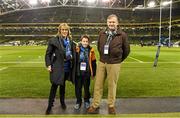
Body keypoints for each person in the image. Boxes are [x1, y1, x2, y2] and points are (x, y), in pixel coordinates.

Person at [87, 14, 130, 114]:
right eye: (110, 22)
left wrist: (118, 60)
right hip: (102, 62)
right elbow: (99, 46)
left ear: (117, 23)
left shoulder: (122, 35)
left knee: (112, 85)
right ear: (107, 23)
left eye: (113, 22)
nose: (111, 24)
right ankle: (95, 105)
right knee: (98, 85)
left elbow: (127, 50)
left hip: (114, 64)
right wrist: (103, 57)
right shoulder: (102, 33)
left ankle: (111, 105)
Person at [45, 23, 76, 114]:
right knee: (54, 85)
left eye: (66, 30)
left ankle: (62, 102)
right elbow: (48, 54)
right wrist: (48, 64)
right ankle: (50, 105)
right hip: (57, 67)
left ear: (68, 31)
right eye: (63, 30)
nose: (64, 31)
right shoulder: (54, 40)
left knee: (63, 85)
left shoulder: (70, 41)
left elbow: (73, 51)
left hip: (66, 67)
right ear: (59, 30)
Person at [74, 35, 97, 110]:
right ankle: (78, 101)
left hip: (87, 72)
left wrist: (94, 73)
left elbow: (93, 62)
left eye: (86, 41)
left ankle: (86, 101)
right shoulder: (77, 49)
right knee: (78, 88)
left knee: (86, 88)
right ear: (81, 41)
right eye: (84, 41)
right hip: (78, 72)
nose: (85, 43)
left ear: (88, 42)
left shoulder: (91, 50)